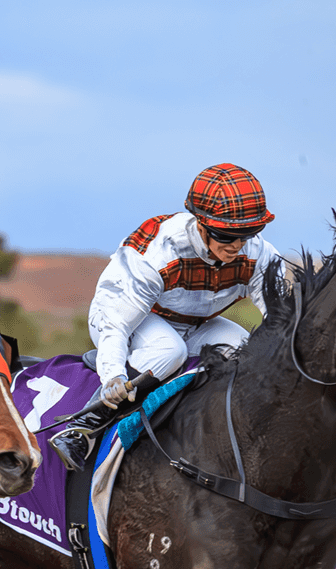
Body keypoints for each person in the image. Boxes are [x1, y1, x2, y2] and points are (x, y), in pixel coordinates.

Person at [50, 163, 282, 471]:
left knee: (243, 345)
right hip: (120, 317)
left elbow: (279, 321)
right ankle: (82, 428)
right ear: (201, 224)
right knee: (169, 350)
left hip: (193, 323)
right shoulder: (159, 252)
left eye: (248, 233)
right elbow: (117, 325)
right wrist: (113, 376)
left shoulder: (258, 253)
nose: (238, 245)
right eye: (227, 235)